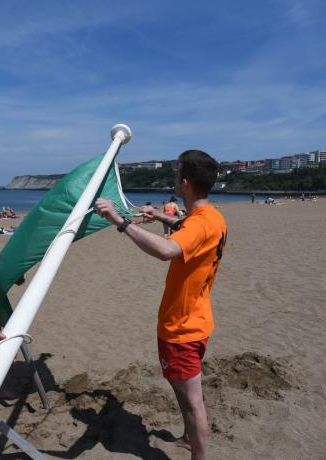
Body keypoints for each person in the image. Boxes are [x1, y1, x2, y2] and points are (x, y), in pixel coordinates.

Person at [95, 149, 227, 460]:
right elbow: (188, 229)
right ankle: (186, 436)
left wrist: (120, 222)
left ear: (184, 183)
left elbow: (167, 250)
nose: (173, 180)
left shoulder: (200, 223)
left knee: (194, 401)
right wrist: (161, 217)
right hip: (195, 320)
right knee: (183, 393)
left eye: (175, 175)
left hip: (183, 327)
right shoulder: (211, 217)